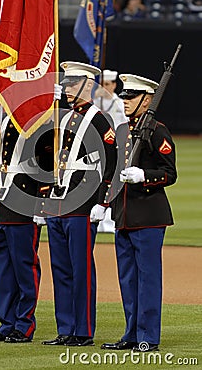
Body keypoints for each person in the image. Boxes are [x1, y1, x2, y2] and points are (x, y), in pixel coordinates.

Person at [39, 61, 117, 347]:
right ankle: (65, 328)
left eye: (73, 84)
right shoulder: (64, 117)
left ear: (87, 85)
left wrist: (102, 201)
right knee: (60, 268)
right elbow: (49, 156)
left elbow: (110, 162)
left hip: (82, 203)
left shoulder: (98, 119)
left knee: (80, 268)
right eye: (67, 84)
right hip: (58, 200)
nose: (68, 88)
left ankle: (82, 331)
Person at [101, 73, 177, 352]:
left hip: (148, 216)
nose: (125, 101)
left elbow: (170, 173)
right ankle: (131, 334)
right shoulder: (123, 130)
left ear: (147, 100)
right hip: (124, 215)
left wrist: (144, 175)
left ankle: (148, 337)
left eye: (131, 96)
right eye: (124, 96)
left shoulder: (157, 131)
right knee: (128, 279)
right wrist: (103, 202)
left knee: (147, 279)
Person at [0, 113, 52, 344]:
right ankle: (6, 323)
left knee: (24, 268)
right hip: (2, 202)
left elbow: (47, 162)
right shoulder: (4, 119)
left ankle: (24, 324)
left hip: (24, 201)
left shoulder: (38, 117)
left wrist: (41, 205)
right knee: (2, 270)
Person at [94, 69, 128, 233]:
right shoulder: (95, 102)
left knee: (112, 181)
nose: (105, 87)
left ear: (114, 85)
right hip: (98, 147)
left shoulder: (121, 103)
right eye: (102, 84)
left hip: (115, 147)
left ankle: (108, 221)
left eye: (107, 84)